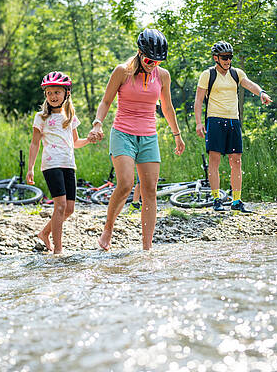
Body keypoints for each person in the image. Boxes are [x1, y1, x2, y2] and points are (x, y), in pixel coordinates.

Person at [88, 28, 185, 251]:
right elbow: (105, 101)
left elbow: (167, 107)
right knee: (125, 184)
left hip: (149, 136)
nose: (153, 64)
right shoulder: (123, 71)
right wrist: (97, 123)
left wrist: (177, 135)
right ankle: (108, 228)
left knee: (150, 189)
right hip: (123, 133)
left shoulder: (162, 76)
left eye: (158, 61)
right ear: (140, 53)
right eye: (149, 59)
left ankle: (147, 248)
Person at [193, 41, 272, 213]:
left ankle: (236, 201)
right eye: (224, 58)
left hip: (233, 121)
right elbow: (198, 100)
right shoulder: (208, 75)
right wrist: (199, 123)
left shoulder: (237, 73)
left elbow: (250, 84)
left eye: (230, 57)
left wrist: (261, 93)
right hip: (214, 120)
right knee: (214, 160)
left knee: (236, 160)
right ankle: (216, 199)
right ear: (216, 58)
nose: (228, 61)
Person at [26, 71, 93, 254]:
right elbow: (35, 143)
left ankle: (44, 233)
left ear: (66, 93)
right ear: (45, 95)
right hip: (51, 164)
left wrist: (90, 139)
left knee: (69, 209)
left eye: (57, 92)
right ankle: (58, 250)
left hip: (68, 164)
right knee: (60, 205)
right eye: (49, 93)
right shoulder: (41, 117)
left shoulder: (70, 116)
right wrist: (30, 168)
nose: (53, 96)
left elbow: (76, 142)